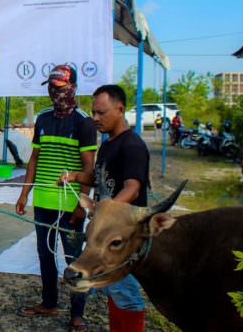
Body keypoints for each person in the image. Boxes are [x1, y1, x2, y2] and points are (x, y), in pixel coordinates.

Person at [15, 65, 96, 332]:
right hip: (43, 202)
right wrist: (24, 193)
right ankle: (49, 303)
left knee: (74, 260)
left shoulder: (84, 122)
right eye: (52, 88)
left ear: (72, 88)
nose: (55, 93)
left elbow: (88, 169)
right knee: (45, 255)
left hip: (70, 205)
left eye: (60, 88)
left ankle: (77, 315)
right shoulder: (43, 119)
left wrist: (81, 205)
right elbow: (35, 158)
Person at [65, 84, 149, 331]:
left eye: (101, 113)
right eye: (93, 112)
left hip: (121, 237)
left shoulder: (132, 145)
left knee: (125, 290)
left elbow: (132, 188)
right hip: (105, 231)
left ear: (120, 109)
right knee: (112, 287)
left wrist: (104, 212)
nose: (95, 118)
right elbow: (99, 179)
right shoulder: (109, 143)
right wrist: (74, 177)